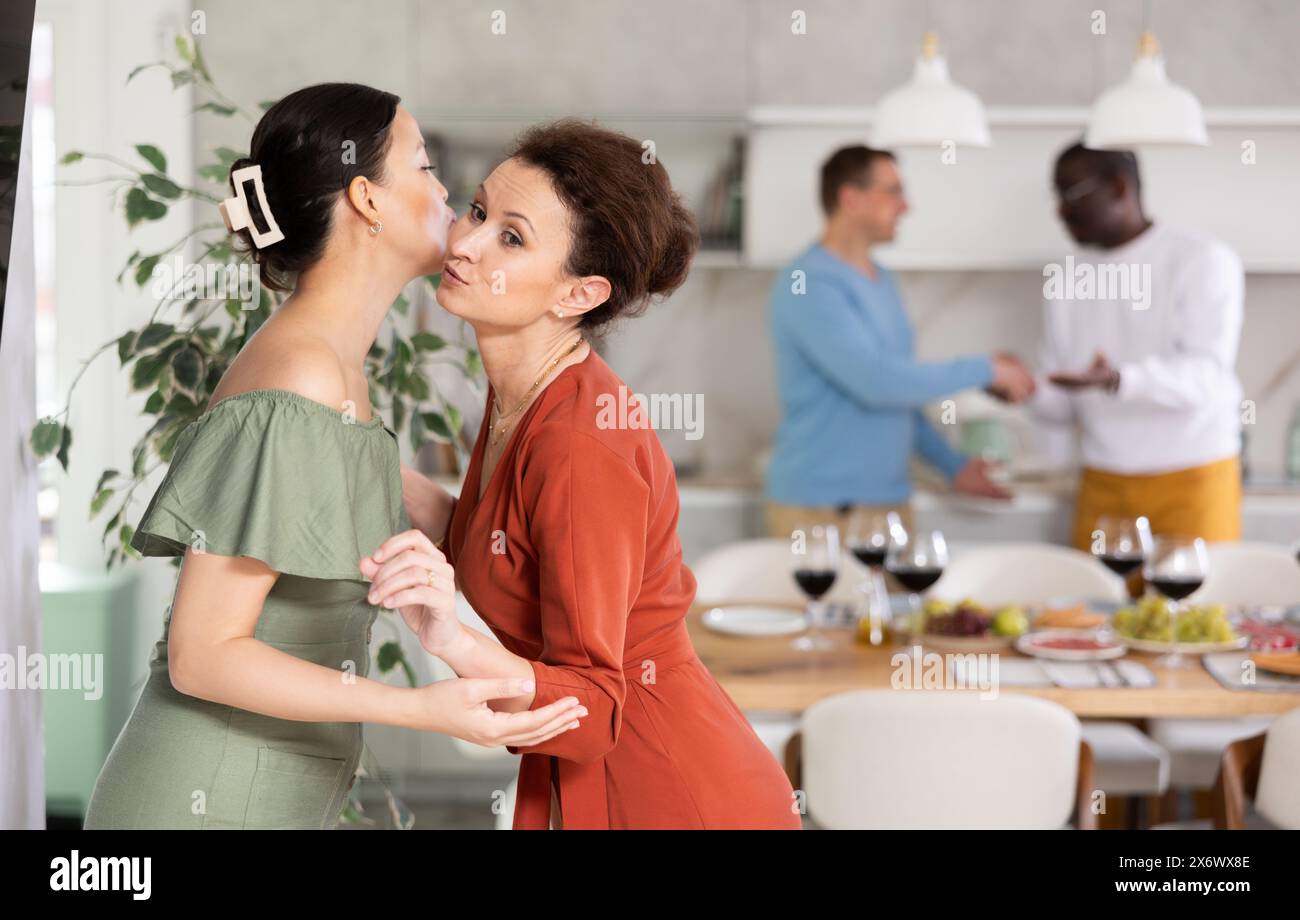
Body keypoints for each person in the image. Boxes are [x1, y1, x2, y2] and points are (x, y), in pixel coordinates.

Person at [84, 84, 586, 830]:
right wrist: (418, 709)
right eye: (422, 166)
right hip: (205, 800)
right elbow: (202, 654)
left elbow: (442, 524)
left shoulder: (338, 372)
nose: (446, 193)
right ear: (368, 200)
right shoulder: (305, 377)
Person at [369, 120, 802, 829]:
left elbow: (594, 707)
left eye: (511, 237)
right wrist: (356, 454)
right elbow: (498, 545)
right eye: (477, 212)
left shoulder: (577, 442)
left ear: (576, 295)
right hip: (598, 766)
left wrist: (447, 636)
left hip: (661, 785)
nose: (466, 243)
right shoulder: (523, 392)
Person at [764, 145, 1037, 539]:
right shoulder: (807, 283)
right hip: (819, 509)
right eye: (893, 191)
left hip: (889, 503)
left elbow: (899, 397)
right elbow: (877, 382)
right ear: (850, 198)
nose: (905, 206)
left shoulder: (883, 281)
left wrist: (953, 465)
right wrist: (987, 369)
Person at [1032, 142, 1245, 551]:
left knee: (1197, 613)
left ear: (1118, 188)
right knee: (1092, 611)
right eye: (1056, 197)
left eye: (1071, 195)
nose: (1060, 211)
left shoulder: (1201, 260)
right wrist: (1024, 388)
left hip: (1193, 477)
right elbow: (1060, 407)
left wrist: (1117, 379)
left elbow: (1206, 377)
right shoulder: (1066, 278)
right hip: (1103, 481)